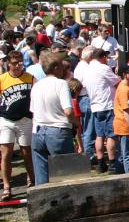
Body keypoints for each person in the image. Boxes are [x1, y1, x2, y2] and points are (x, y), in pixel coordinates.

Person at [30, 50, 77, 184]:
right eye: (62, 66)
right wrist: (76, 123)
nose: (64, 69)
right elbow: (68, 111)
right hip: (58, 131)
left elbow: (33, 112)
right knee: (65, 176)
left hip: (38, 131)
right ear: (56, 67)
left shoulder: (36, 86)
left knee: (41, 176)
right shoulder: (61, 84)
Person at [0, 51, 35, 199]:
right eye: (15, 63)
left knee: (27, 153)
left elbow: (36, 96)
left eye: (20, 62)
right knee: (5, 153)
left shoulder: (30, 78)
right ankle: (7, 187)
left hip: (25, 120)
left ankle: (32, 180)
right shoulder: (2, 79)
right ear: (8, 63)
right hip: (6, 119)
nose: (18, 65)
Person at [83, 49, 121, 173]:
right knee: (111, 136)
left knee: (99, 136)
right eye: (106, 57)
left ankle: (100, 163)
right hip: (107, 105)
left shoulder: (87, 69)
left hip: (95, 106)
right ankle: (112, 164)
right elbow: (117, 82)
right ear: (103, 57)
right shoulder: (103, 68)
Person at [73, 46, 96, 160]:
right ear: (91, 56)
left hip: (83, 99)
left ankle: (87, 153)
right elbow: (80, 84)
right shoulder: (84, 67)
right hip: (86, 98)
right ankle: (89, 155)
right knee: (88, 129)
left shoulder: (81, 66)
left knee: (86, 129)